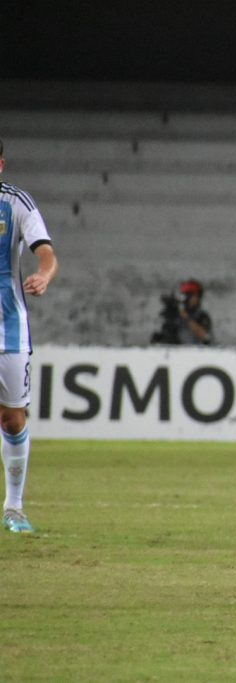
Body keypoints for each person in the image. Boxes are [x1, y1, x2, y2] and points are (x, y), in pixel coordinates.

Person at [0, 138, 59, 534]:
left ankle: (14, 507)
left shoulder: (16, 202)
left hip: (8, 325)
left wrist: (45, 273)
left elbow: (46, 252)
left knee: (12, 417)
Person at [151, 279, 213, 345]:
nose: (188, 298)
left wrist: (186, 318)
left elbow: (206, 338)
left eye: (191, 295)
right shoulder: (176, 313)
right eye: (186, 295)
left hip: (195, 352)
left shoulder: (202, 315)